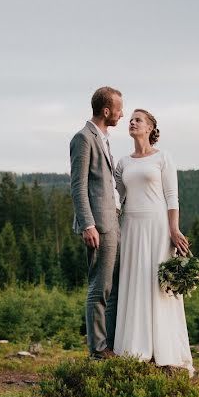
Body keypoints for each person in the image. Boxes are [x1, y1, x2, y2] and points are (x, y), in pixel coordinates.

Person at [113, 109, 194, 375]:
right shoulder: (123, 162)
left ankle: (165, 349)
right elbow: (117, 197)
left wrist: (174, 229)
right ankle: (135, 348)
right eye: (131, 120)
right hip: (132, 226)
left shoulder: (163, 158)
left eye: (138, 120)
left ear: (150, 128)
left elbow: (172, 196)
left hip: (159, 226)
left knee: (158, 284)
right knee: (134, 281)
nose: (132, 122)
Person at [70, 87, 125, 359]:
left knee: (114, 289)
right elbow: (78, 186)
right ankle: (98, 350)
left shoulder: (103, 138)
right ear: (106, 111)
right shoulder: (83, 138)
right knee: (99, 288)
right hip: (99, 226)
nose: (122, 114)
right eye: (118, 109)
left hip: (112, 223)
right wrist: (88, 224)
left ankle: (111, 345)